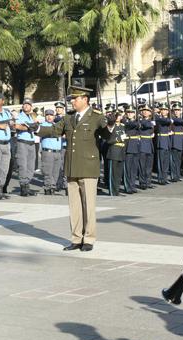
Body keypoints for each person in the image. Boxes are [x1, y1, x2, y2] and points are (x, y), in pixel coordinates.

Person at [35, 86, 111, 252]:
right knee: (74, 205)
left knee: (88, 205)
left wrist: (109, 126)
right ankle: (76, 238)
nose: (72, 102)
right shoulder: (69, 118)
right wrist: (37, 129)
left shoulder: (96, 117)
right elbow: (55, 130)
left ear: (85, 99)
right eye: (71, 99)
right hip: (71, 165)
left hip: (89, 166)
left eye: (75, 99)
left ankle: (89, 238)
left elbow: (107, 136)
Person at [14, 98, 40, 197]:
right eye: (25, 104)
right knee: (23, 165)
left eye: (28, 104)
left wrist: (34, 125)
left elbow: (37, 127)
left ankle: (27, 184)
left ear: (31, 107)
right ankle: (23, 187)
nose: (26, 106)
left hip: (31, 143)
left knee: (31, 166)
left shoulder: (32, 117)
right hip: (23, 143)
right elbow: (17, 126)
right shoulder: (20, 116)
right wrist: (28, 127)